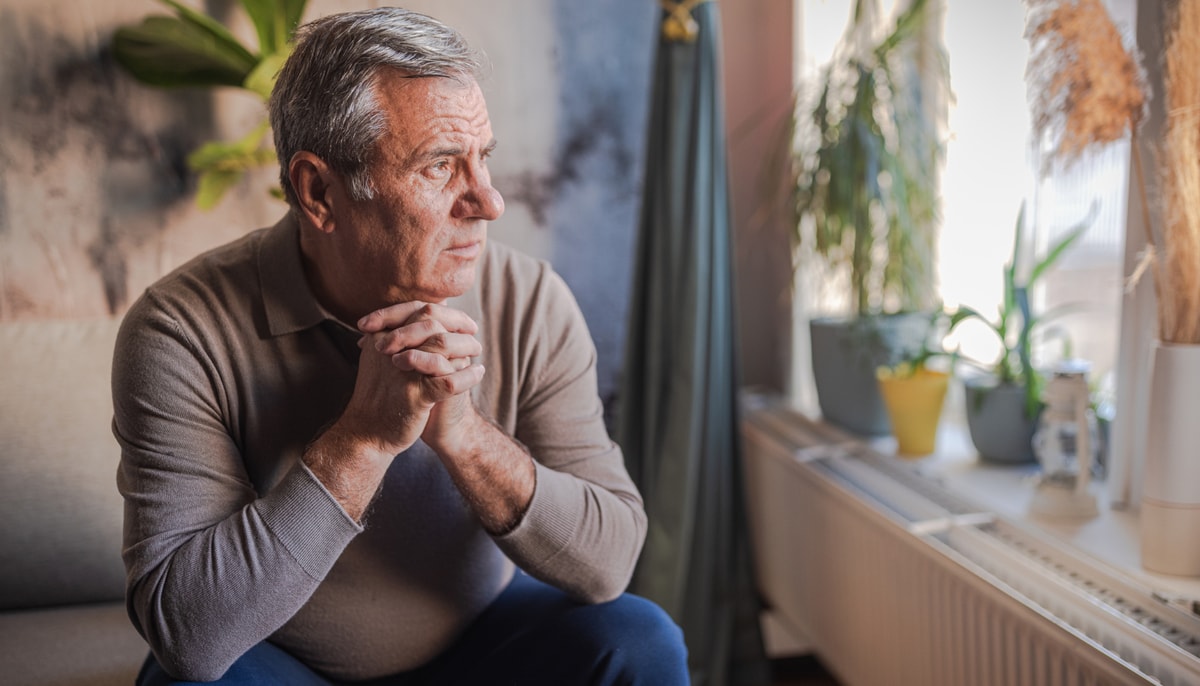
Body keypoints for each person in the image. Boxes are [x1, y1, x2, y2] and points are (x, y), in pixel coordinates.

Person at [112, 7, 688, 685]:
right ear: (319, 191)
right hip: (283, 662)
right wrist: (361, 441)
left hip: (482, 643)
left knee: (639, 640)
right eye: (441, 167)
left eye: (484, 159)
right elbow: (190, 634)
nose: (490, 201)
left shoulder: (528, 299)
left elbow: (608, 562)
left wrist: (468, 438)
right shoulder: (180, 329)